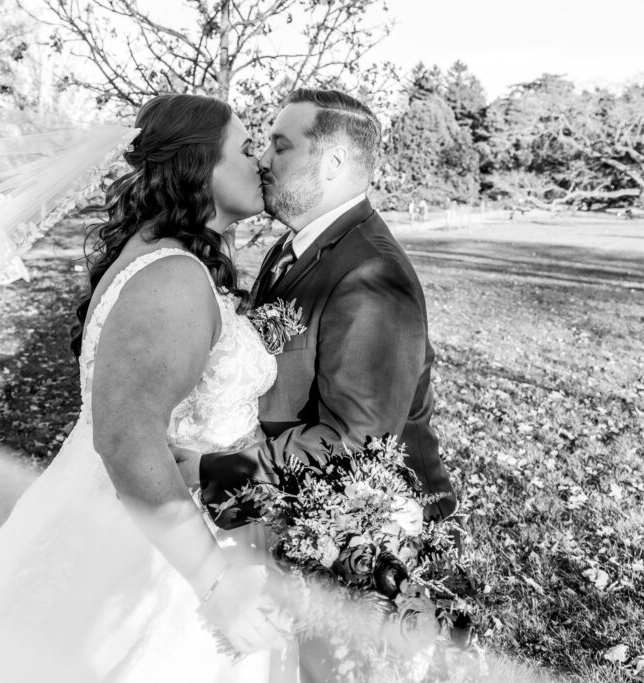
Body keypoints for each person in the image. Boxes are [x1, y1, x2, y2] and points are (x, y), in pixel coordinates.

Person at [0, 94, 295, 683]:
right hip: (151, 558)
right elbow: (129, 442)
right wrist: (214, 583)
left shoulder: (161, 258)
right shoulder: (173, 276)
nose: (260, 160)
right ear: (198, 164)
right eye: (244, 147)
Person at [179, 89, 458, 681]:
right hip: (298, 516)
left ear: (331, 164)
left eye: (280, 145)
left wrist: (212, 466)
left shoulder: (371, 273)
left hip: (367, 540)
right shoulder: (293, 244)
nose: (263, 159)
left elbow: (357, 441)